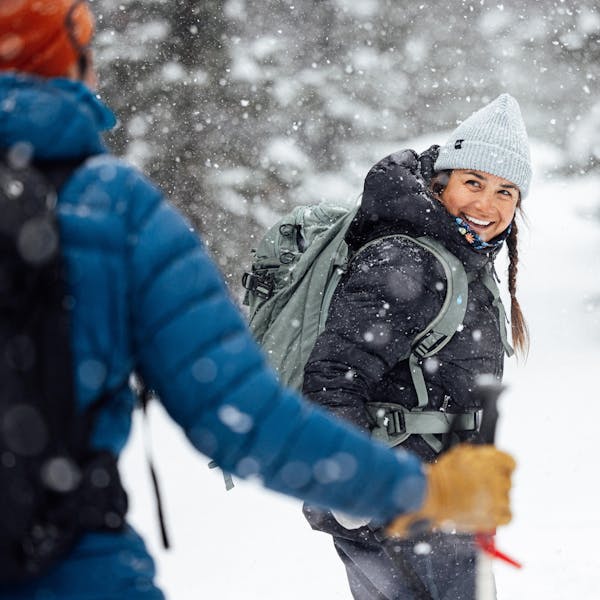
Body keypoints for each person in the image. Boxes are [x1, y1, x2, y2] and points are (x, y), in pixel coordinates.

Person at [0, 2, 515, 599]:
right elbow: (243, 416)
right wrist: (417, 492)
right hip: (64, 561)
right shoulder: (112, 211)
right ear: (76, 63)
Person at [302, 93, 530, 600]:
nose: (485, 205)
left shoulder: (461, 261)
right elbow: (331, 376)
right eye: (473, 182)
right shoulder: (405, 262)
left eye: (505, 192)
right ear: (441, 182)